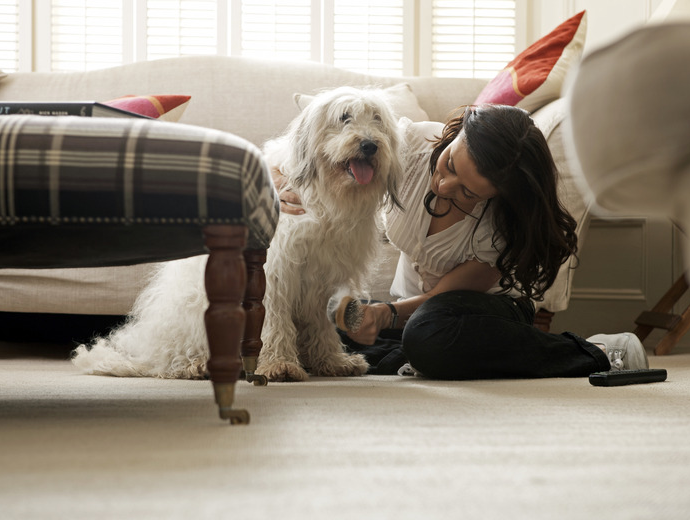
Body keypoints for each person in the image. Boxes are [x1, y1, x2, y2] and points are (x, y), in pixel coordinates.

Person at [275, 104, 648, 379]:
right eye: (450, 164)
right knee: (332, 316)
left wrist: (385, 314)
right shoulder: (409, 144)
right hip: (410, 311)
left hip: (474, 313)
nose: (443, 185)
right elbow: (305, 147)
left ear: (496, 196)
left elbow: (443, 298)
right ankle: (424, 359)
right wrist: (276, 183)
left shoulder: (500, 226)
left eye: (467, 192)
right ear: (454, 138)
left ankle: (596, 351)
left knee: (428, 332)